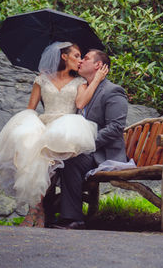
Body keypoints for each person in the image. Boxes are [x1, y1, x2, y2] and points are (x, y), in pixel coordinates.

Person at [0, 42, 108, 227]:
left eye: (82, 57)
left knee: (45, 156)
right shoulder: (41, 79)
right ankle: (37, 209)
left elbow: (81, 103)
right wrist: (26, 127)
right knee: (30, 151)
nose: (80, 60)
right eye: (76, 55)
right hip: (43, 124)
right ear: (64, 57)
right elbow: (31, 108)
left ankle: (36, 211)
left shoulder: (80, 82)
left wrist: (97, 79)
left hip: (66, 128)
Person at [47, 49, 128, 230]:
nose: (81, 61)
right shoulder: (82, 89)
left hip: (102, 153)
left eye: (86, 58)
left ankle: (74, 219)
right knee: (48, 156)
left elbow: (115, 128)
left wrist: (86, 145)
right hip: (83, 149)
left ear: (98, 65)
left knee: (71, 161)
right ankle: (46, 212)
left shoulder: (113, 91)